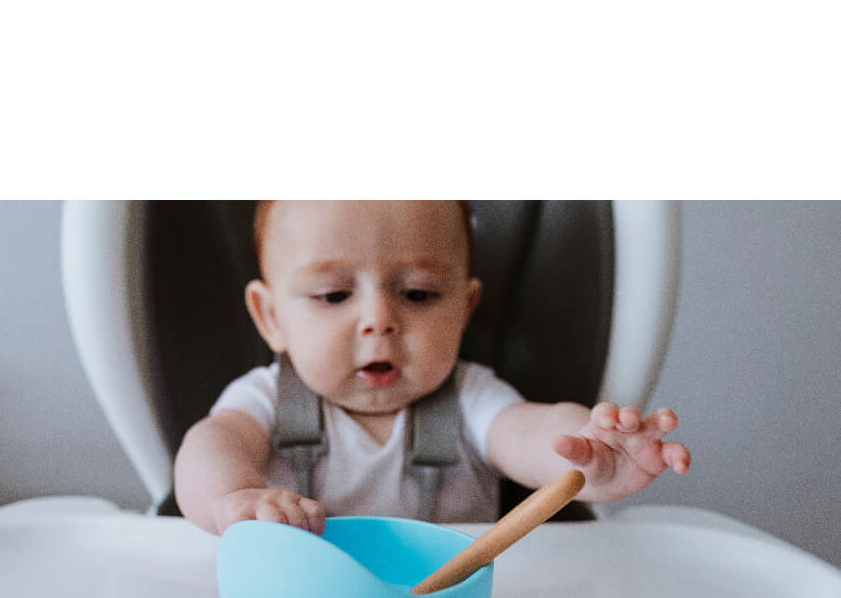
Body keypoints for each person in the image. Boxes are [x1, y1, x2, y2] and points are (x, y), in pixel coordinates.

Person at [173, 200, 690, 536]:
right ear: (271, 317)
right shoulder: (265, 401)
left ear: (463, 309)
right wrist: (234, 497)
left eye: (418, 294)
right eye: (333, 295)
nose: (379, 320)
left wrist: (589, 453)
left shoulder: (471, 399)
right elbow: (210, 445)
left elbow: (530, 433)